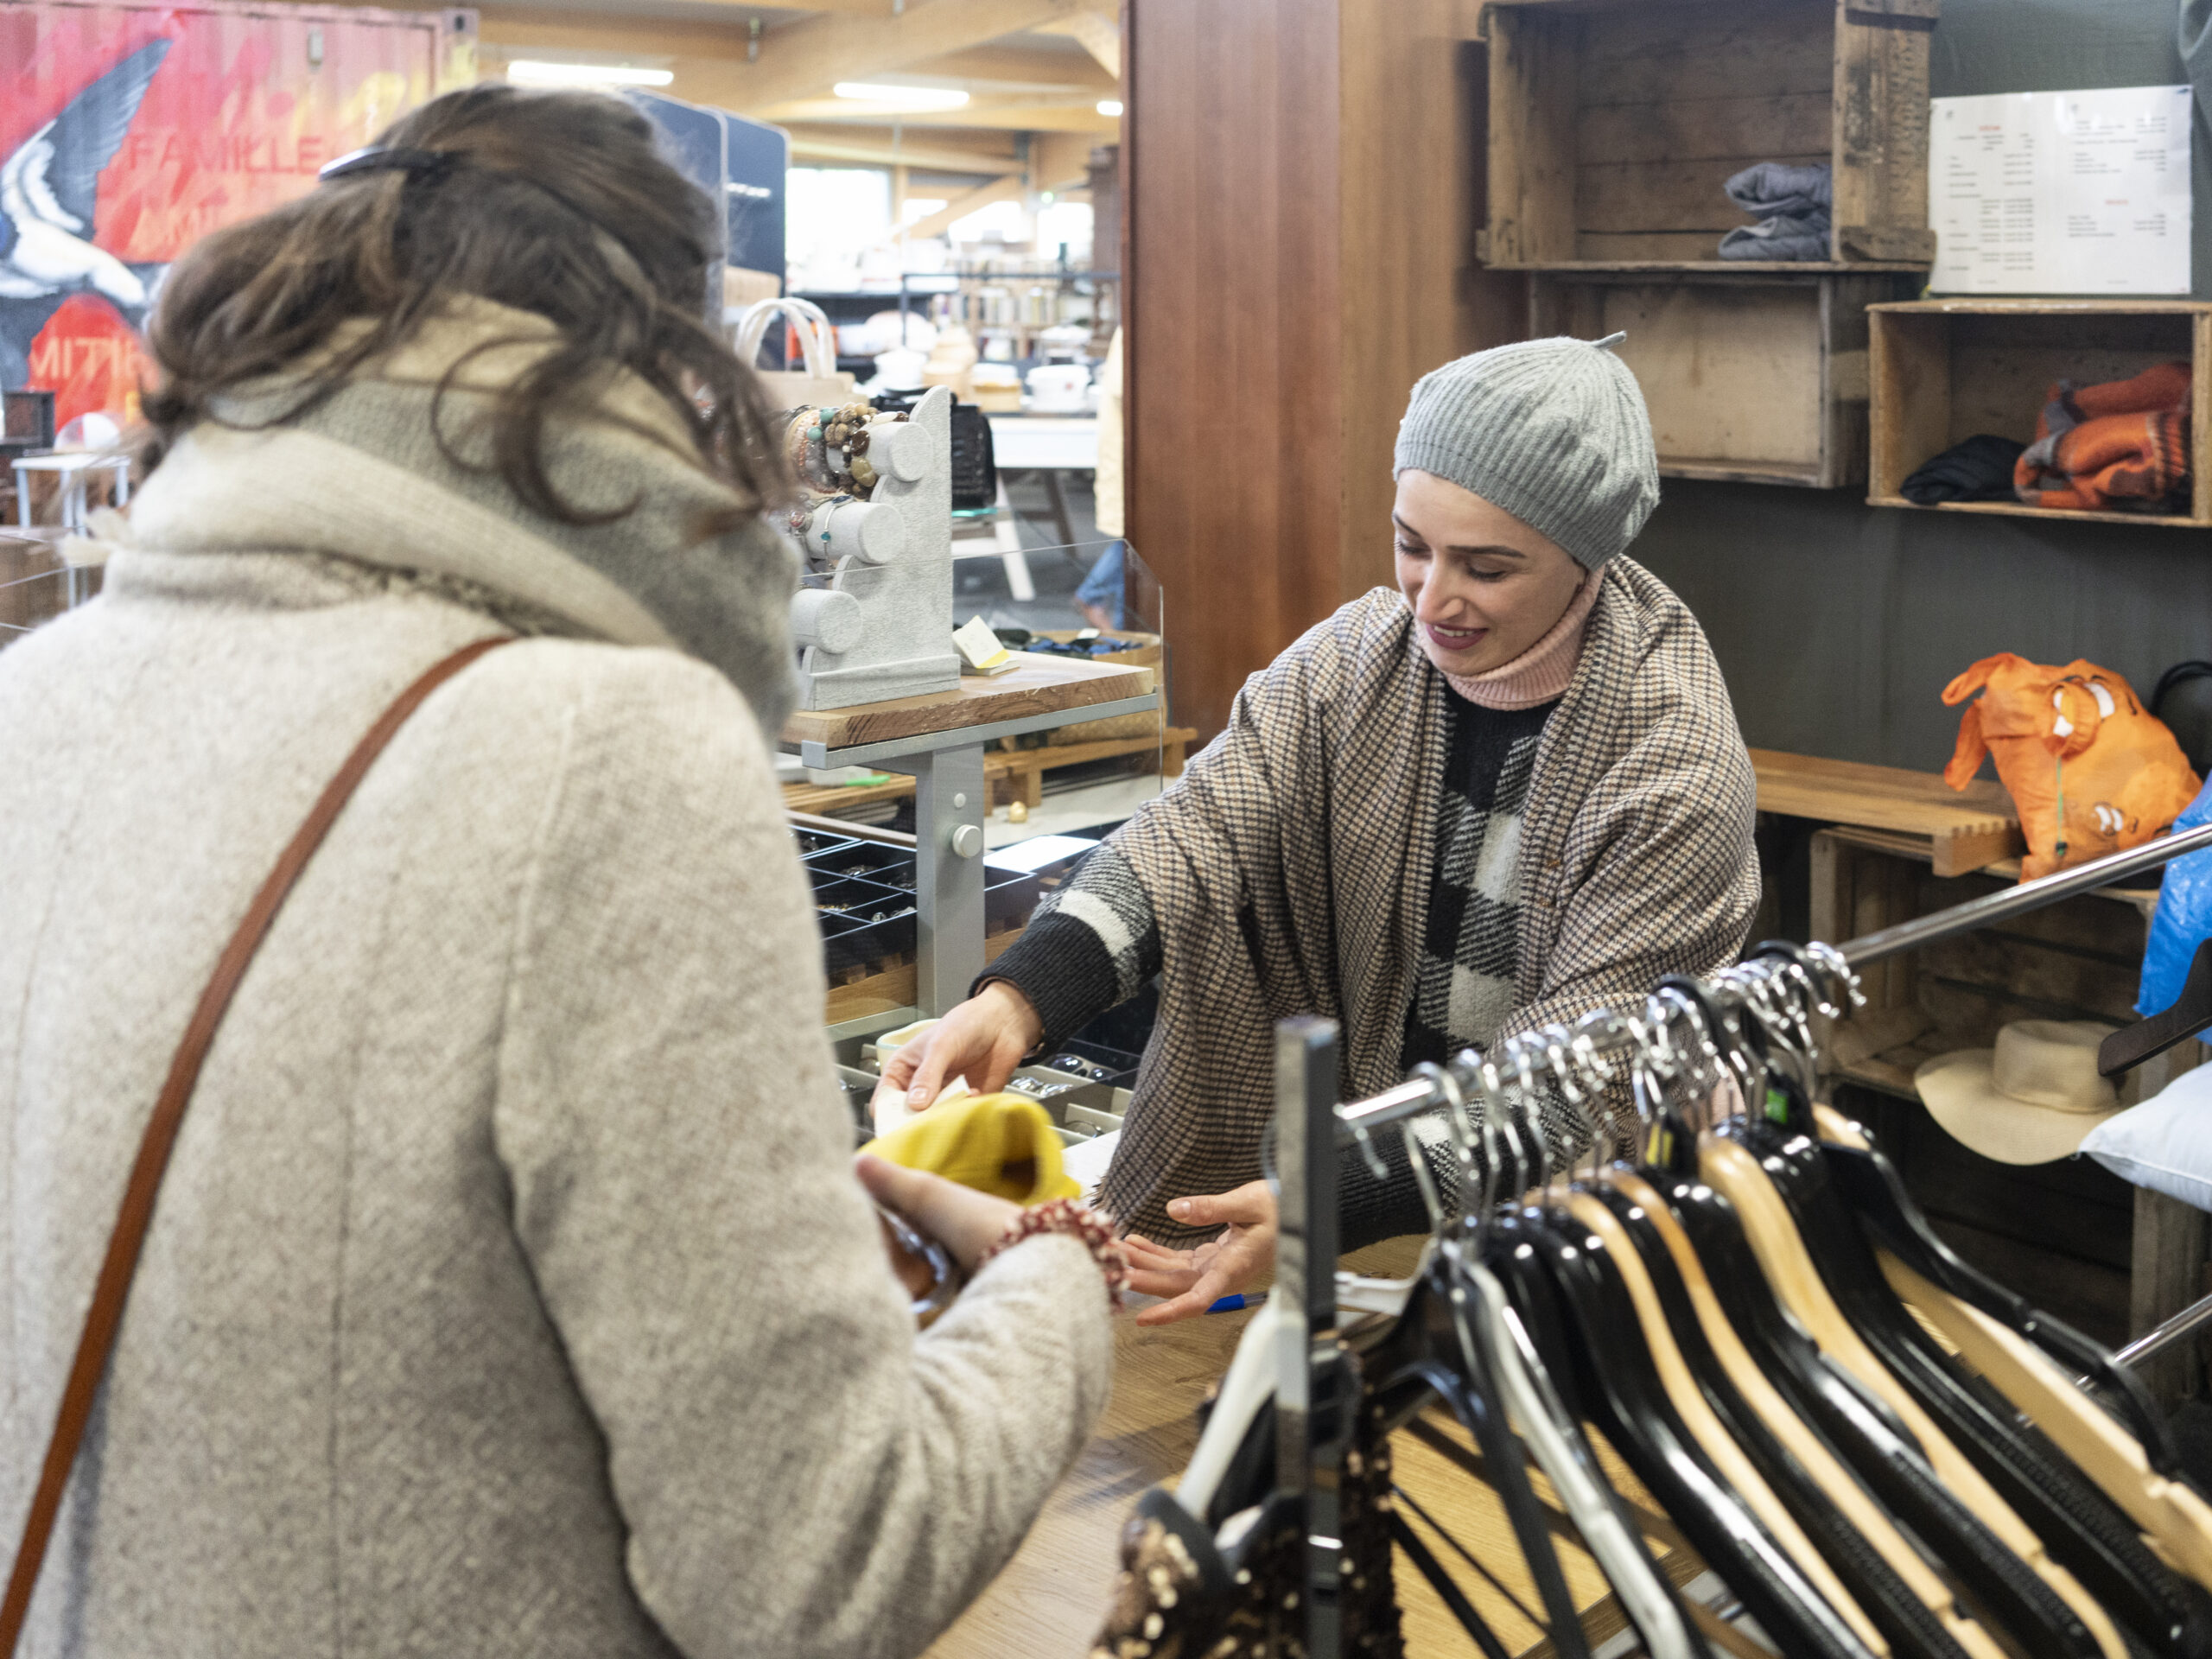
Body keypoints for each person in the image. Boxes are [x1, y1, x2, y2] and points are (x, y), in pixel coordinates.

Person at [0, 86, 1116, 1658]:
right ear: (650, 374)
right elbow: (822, 1566)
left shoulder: (37, 702)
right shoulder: (607, 753)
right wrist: (1055, 1281)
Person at [876, 334, 1760, 1319]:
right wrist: (1021, 999)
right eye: (1412, 545)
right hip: (1333, 1175)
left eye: (1487, 567)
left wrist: (1331, 1199)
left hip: (1551, 1215)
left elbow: (1571, 1075)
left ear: (1588, 559)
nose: (1433, 598)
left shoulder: (1669, 762)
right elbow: (1195, 834)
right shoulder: (1353, 666)